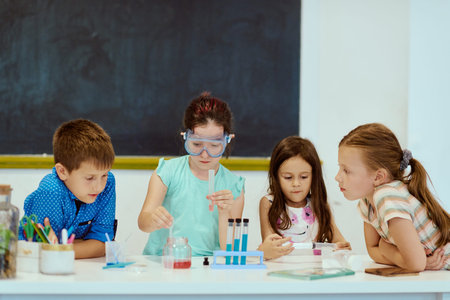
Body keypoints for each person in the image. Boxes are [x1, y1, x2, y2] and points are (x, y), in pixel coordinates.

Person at [138, 92, 245, 256]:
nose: (204, 154)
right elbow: (143, 223)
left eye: (215, 145)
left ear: (227, 140)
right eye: (196, 144)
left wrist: (225, 213)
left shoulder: (234, 186)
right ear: (185, 137)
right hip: (164, 262)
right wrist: (153, 219)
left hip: (208, 267)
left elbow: (230, 250)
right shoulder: (167, 172)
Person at [336, 123, 449, 271]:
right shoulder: (366, 202)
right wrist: (390, 251)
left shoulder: (388, 196)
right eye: (339, 168)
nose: (337, 177)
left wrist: (386, 248)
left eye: (347, 170)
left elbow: (416, 264)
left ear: (378, 177)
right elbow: (372, 249)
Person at [19, 119, 116, 259]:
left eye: (104, 175)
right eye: (89, 178)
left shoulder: (108, 183)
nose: (99, 186)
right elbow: (44, 251)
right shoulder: (51, 191)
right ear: (62, 172)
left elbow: (103, 244)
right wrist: (83, 245)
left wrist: (61, 249)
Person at [258, 136, 350, 260]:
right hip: (279, 271)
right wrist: (265, 251)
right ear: (276, 176)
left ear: (314, 176)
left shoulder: (319, 204)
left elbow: (340, 243)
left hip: (313, 273)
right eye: (288, 177)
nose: (296, 184)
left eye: (304, 177)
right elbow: (270, 245)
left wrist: (340, 248)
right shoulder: (269, 203)